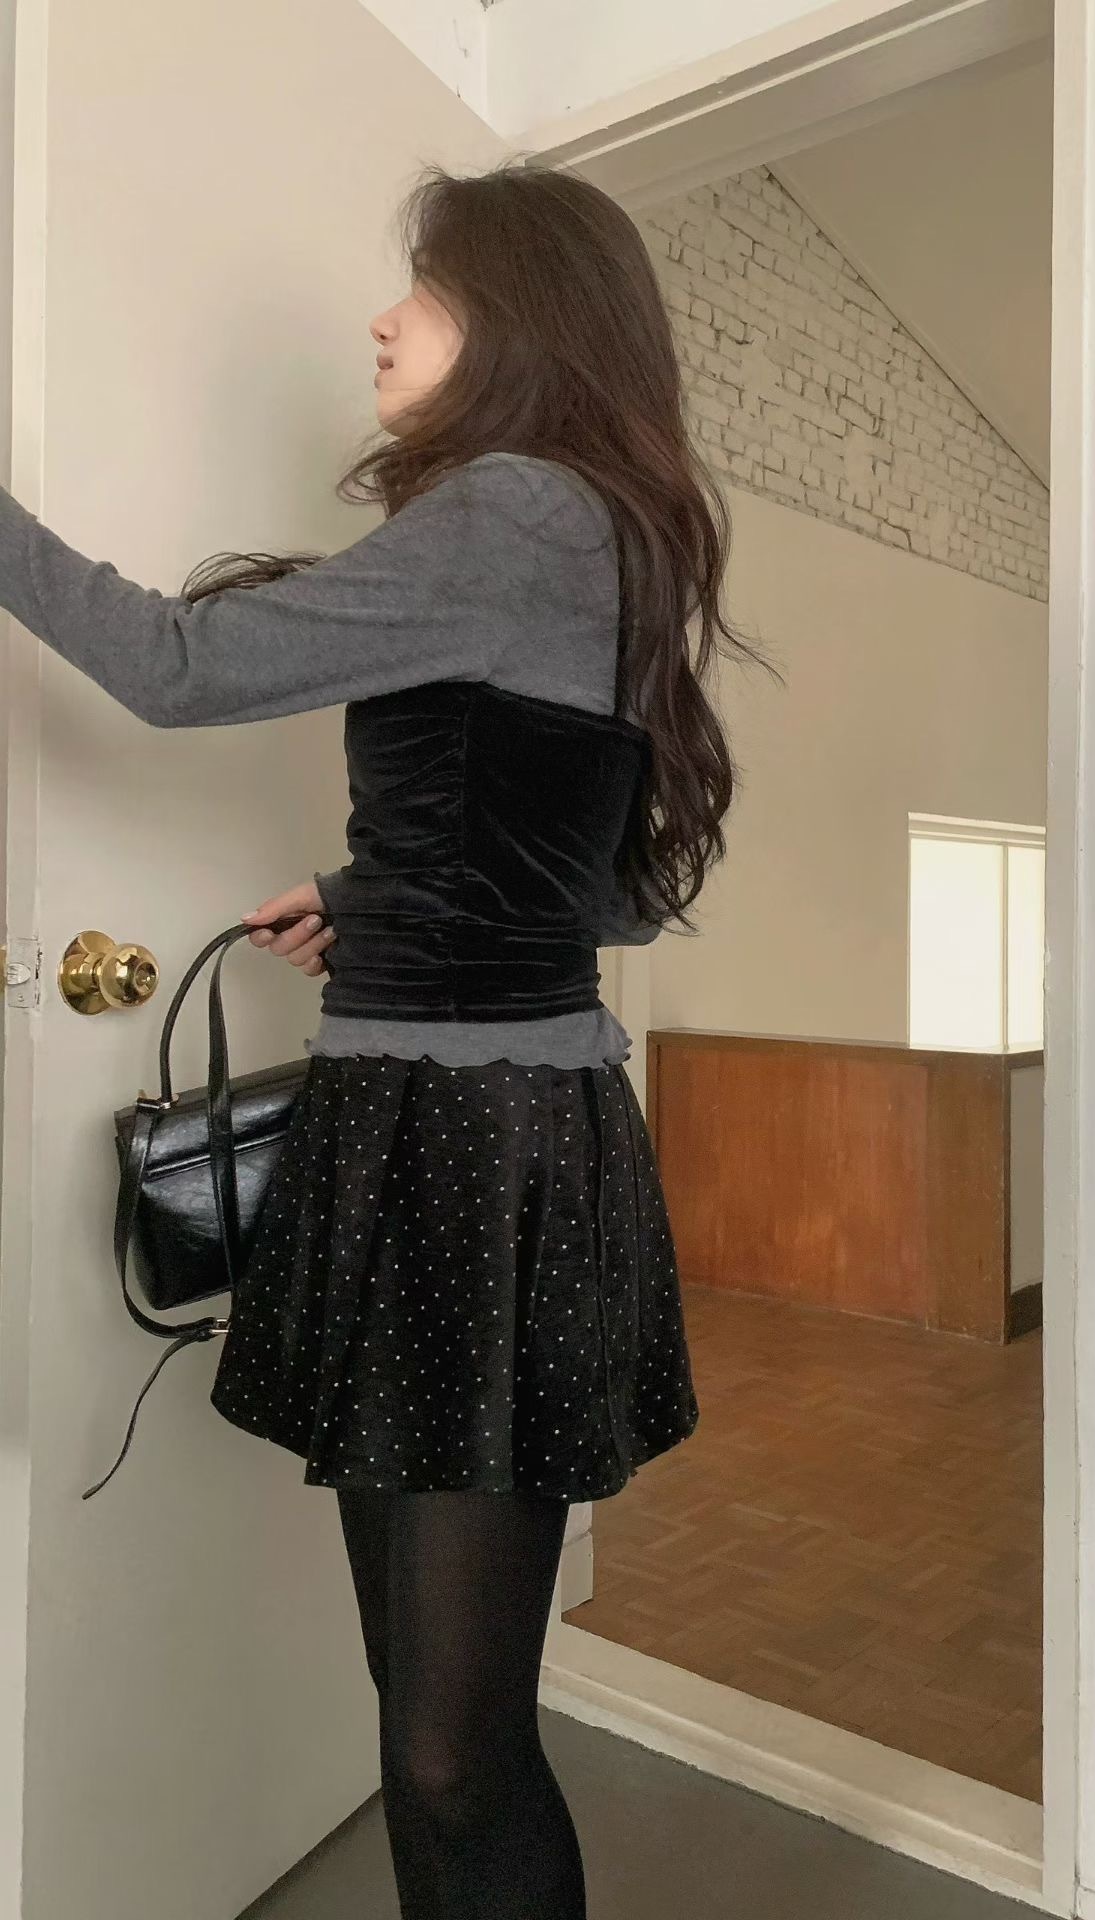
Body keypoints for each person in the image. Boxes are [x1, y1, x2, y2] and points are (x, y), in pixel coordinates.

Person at [0, 158, 774, 1919]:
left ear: (516, 318)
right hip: (494, 1133)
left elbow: (178, 666)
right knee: (441, 1725)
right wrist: (387, 894)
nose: (382, 320)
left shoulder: (514, 511)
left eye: (421, 290)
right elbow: (610, 886)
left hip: (466, 1146)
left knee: (443, 1747)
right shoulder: (602, 529)